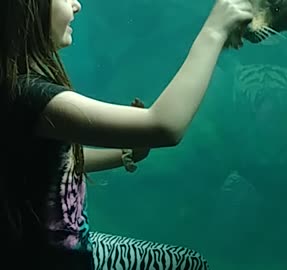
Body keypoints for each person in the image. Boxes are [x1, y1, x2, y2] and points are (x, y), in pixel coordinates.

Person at [0, 0, 253, 269]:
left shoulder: (16, 88)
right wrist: (214, 31)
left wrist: (122, 154)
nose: (76, 5)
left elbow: (52, 164)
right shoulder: (31, 96)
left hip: (57, 249)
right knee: (186, 264)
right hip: (56, 260)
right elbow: (164, 126)